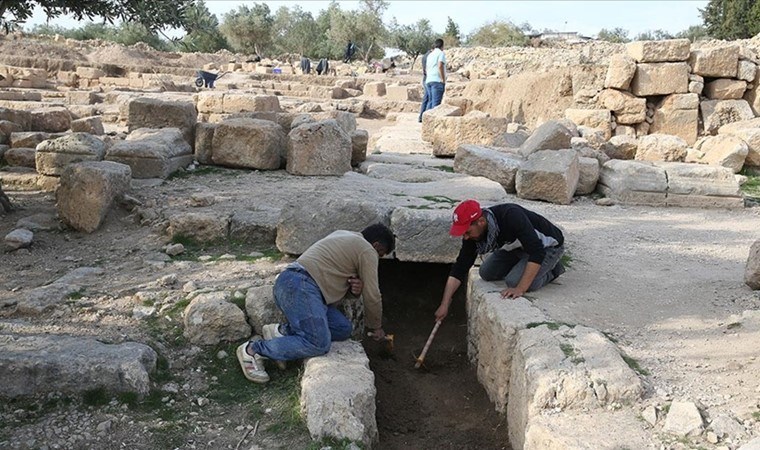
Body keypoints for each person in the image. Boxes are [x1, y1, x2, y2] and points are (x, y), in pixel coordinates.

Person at [237, 224, 395, 383]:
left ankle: (281, 332)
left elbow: (331, 280)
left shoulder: (343, 233)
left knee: (343, 328)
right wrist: (376, 327)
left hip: (296, 284)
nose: (378, 258)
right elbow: (373, 295)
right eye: (380, 254)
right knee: (318, 343)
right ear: (376, 245)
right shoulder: (367, 250)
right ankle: (253, 350)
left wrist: (354, 291)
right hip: (301, 286)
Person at [434, 200, 565, 323]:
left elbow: (537, 252)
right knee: (486, 272)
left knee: (513, 281)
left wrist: (520, 288)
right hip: (517, 247)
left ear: (480, 221)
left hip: (547, 247)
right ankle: (523, 264)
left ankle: (553, 270)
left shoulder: (511, 216)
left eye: (467, 232)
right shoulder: (473, 236)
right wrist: (444, 304)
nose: (465, 237)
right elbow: (460, 267)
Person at [424, 38, 447, 111]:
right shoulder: (441, 53)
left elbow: (426, 68)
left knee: (430, 102)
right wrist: (443, 79)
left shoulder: (430, 55)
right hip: (437, 81)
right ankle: (433, 121)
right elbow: (440, 65)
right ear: (442, 46)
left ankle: (426, 120)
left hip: (429, 80)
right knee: (436, 104)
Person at [418, 47, 432, 123]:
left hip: (425, 78)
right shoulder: (430, 56)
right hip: (429, 78)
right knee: (430, 98)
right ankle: (426, 117)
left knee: (426, 98)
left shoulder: (424, 56)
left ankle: (421, 117)